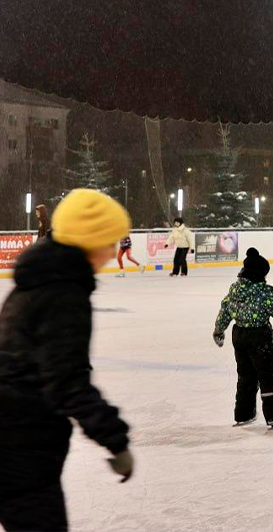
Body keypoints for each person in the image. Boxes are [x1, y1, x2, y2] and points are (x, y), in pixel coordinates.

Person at [0, 189, 134, 531]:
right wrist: (114, 438)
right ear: (91, 241)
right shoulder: (63, 292)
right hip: (21, 444)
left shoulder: (38, 278)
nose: (113, 250)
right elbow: (67, 382)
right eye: (110, 240)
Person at [213, 248, 273, 428]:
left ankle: (243, 414)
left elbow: (224, 310)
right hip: (259, 337)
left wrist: (219, 330)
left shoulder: (234, 289)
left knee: (246, 376)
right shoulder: (263, 291)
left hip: (239, 336)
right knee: (269, 375)